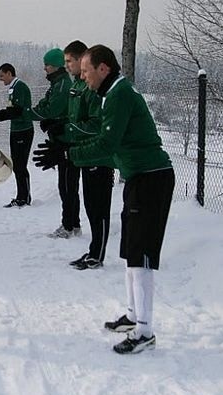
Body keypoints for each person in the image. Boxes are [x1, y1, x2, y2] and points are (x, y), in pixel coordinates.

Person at [33, 45, 175, 354]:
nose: (82, 76)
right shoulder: (110, 95)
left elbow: (106, 143)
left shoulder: (120, 95)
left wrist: (67, 153)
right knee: (130, 252)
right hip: (139, 177)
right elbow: (106, 144)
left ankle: (145, 332)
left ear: (103, 69)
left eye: (85, 70)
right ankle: (133, 315)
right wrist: (66, 148)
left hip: (152, 179)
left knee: (141, 258)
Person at [60, 40, 115, 269]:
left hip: (98, 156)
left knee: (98, 207)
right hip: (86, 152)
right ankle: (94, 250)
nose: (69, 67)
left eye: (69, 61)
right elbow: (75, 117)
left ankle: (97, 254)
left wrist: (68, 131)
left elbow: (95, 124)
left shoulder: (95, 90)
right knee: (91, 205)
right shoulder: (80, 85)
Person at [19, 48, 75, 235]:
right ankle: (71, 223)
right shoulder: (56, 84)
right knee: (66, 184)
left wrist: (25, 114)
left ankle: (70, 225)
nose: (45, 69)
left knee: (67, 185)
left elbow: (51, 110)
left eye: (47, 65)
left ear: (57, 66)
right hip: (60, 140)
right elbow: (44, 105)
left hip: (66, 142)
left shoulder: (62, 86)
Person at [0, 63, 34, 207]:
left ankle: (25, 198)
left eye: (2, 76)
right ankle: (21, 196)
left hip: (23, 130)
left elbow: (16, 111)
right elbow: (12, 110)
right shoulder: (12, 88)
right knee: (17, 165)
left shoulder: (19, 87)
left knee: (20, 165)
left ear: (9, 73)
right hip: (16, 130)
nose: (1, 79)